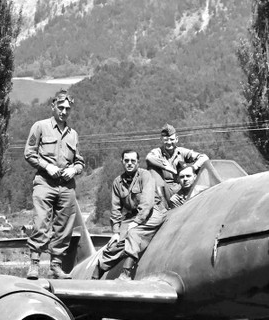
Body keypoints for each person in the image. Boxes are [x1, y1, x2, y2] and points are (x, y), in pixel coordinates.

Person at [24, 89, 85, 280]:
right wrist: (47, 166)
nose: (64, 111)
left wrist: (74, 170)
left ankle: (55, 266)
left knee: (64, 226)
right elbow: (29, 153)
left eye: (68, 108)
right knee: (40, 222)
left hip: (66, 186)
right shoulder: (40, 127)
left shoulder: (73, 134)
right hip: (45, 182)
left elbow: (80, 161)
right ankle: (34, 264)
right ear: (53, 106)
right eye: (61, 107)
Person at [93, 150, 167, 281]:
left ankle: (126, 274)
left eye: (133, 161)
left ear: (138, 162)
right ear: (122, 162)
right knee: (114, 246)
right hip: (131, 217)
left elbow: (147, 202)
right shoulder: (118, 182)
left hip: (152, 213)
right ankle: (94, 278)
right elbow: (115, 209)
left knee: (133, 234)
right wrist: (116, 232)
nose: (129, 163)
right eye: (126, 161)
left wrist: (137, 222)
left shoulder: (146, 176)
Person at [145, 124, 208, 207]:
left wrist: (193, 167)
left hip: (183, 186)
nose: (169, 142)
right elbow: (149, 158)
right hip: (165, 189)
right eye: (166, 140)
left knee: (201, 170)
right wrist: (168, 168)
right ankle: (162, 207)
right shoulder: (157, 152)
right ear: (161, 140)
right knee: (152, 170)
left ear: (176, 139)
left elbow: (204, 157)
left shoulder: (181, 151)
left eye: (172, 139)